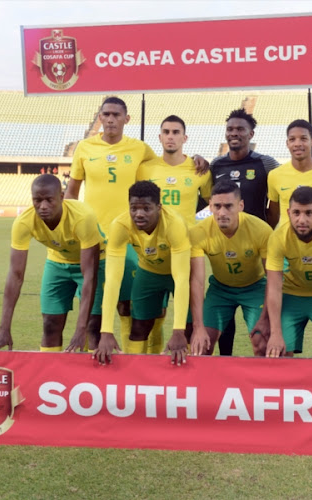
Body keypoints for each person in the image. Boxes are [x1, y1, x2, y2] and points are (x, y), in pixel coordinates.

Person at [66, 97, 207, 354]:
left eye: (115, 115)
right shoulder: (84, 148)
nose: (110, 119)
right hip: (97, 238)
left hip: (142, 240)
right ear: (99, 117)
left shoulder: (140, 150)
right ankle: (97, 362)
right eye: (105, 114)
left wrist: (195, 158)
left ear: (126, 119)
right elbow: (71, 194)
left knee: (134, 309)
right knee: (95, 310)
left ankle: (148, 363)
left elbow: (170, 167)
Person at [0, 174, 105, 352]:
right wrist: (4, 328)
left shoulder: (82, 217)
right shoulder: (24, 222)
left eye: (49, 200)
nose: (43, 206)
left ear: (61, 197)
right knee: (50, 324)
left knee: (92, 326)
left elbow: (89, 274)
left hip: (95, 261)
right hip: (57, 262)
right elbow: (15, 274)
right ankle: (51, 376)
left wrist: (80, 328)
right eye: (37, 200)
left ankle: (93, 376)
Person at [95, 181, 191, 365]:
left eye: (146, 208)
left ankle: (183, 381)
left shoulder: (174, 224)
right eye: (134, 208)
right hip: (148, 272)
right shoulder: (120, 225)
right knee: (139, 327)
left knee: (188, 330)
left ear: (159, 208)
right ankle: (135, 373)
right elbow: (113, 280)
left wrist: (178, 330)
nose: (139, 214)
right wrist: (106, 331)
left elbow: (181, 279)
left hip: (177, 273)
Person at [209, 108, 279, 356]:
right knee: (223, 323)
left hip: (257, 248)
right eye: (230, 129)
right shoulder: (216, 165)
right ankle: (225, 363)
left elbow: (280, 195)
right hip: (226, 246)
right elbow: (207, 199)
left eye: (240, 129)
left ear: (251, 133)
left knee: (261, 331)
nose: (234, 133)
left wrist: (270, 232)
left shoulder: (265, 163)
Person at [188, 180, 272, 357]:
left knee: (261, 344)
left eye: (228, 206)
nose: (222, 212)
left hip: (255, 288)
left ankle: (259, 384)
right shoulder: (198, 232)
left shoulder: (261, 230)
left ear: (240, 205)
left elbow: (272, 279)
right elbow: (196, 281)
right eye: (217, 206)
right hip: (220, 289)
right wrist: (198, 327)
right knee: (201, 347)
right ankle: (208, 385)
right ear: (210, 206)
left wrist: (265, 318)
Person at [265, 186, 312, 358]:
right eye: (296, 212)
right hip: (292, 294)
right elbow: (274, 287)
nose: (302, 219)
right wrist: (275, 333)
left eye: (309, 213)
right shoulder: (278, 237)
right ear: (288, 212)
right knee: (279, 352)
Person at [137, 115, 212, 226]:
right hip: (154, 239)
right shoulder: (144, 169)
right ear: (160, 137)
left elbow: (213, 201)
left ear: (184, 138)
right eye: (166, 132)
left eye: (176, 132)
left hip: (186, 238)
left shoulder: (200, 169)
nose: (170, 137)